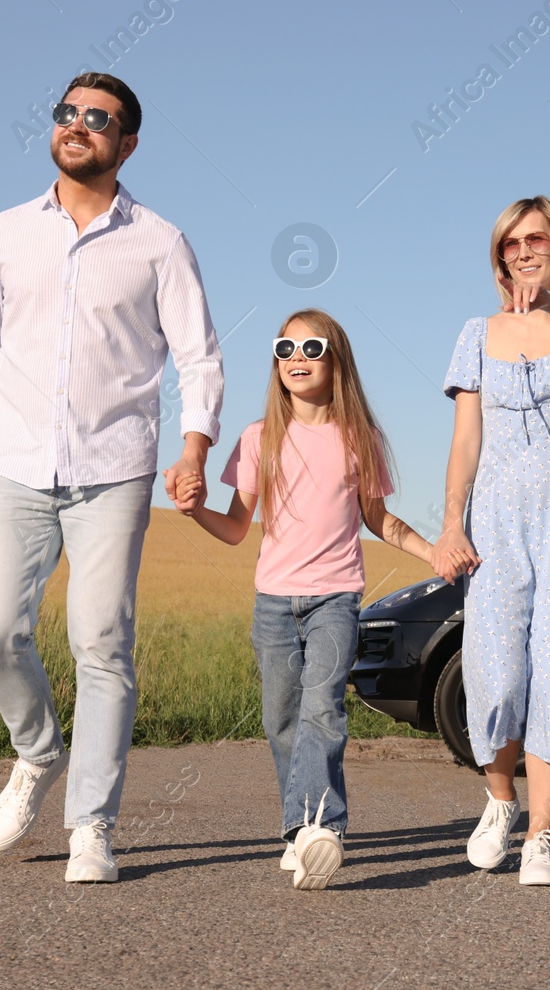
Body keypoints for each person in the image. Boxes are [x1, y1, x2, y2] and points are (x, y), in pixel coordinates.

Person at [0, 72, 223, 884]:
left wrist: (195, 446)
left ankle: (92, 825)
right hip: (15, 462)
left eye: (99, 119)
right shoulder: (3, 232)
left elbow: (199, 356)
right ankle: (37, 752)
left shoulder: (159, 241)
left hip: (114, 467)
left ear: (127, 144)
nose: (78, 126)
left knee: (101, 642)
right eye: (68, 113)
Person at [169, 309, 432, 890]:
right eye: (284, 349)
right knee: (281, 719)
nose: (296, 359)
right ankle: (299, 834)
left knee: (323, 710)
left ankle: (322, 828)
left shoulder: (360, 438)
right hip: (273, 604)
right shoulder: (259, 438)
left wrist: (433, 552)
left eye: (311, 347)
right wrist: (194, 512)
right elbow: (238, 528)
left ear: (336, 357)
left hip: (335, 599)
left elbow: (378, 519)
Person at [433, 195, 550, 887]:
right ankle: (499, 799)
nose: (521, 252)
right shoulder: (475, 332)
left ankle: (543, 836)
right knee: (493, 669)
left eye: (535, 239)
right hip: (496, 518)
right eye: (509, 245)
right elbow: (465, 439)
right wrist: (452, 520)